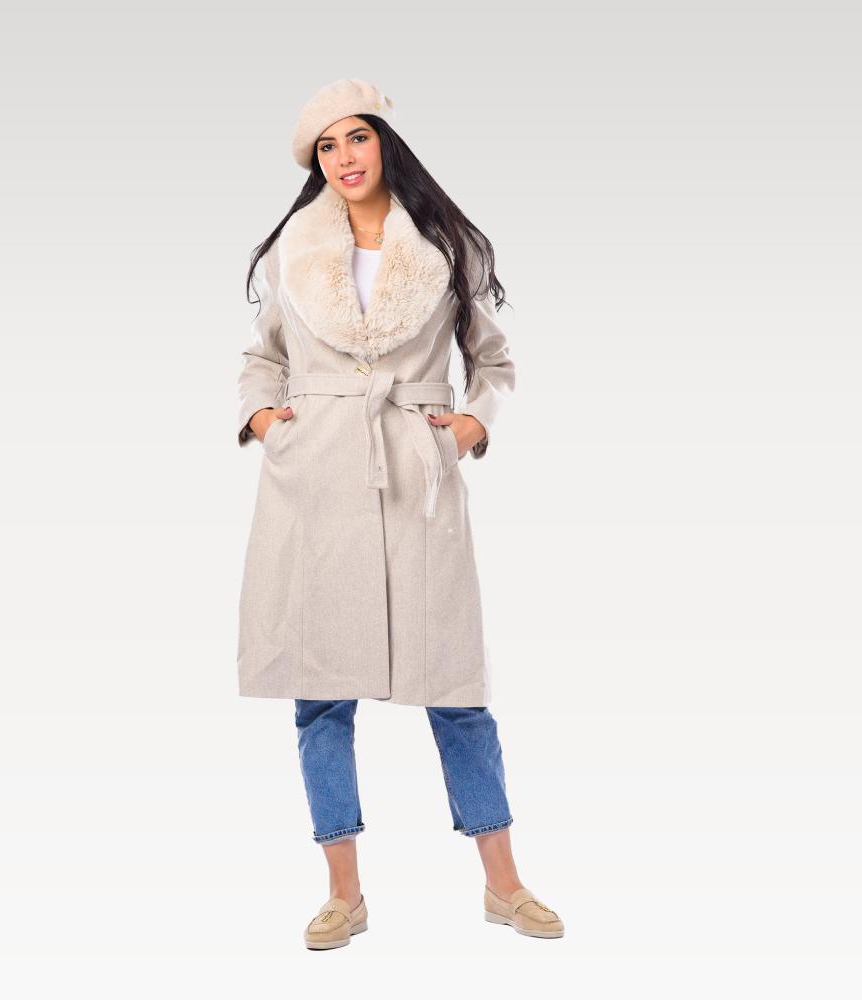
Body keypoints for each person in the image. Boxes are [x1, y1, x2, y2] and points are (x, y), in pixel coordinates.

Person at [235, 78, 564, 950]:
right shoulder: (294, 250)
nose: (344, 158)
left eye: (357, 138)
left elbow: (492, 361)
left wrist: (471, 423)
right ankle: (343, 894)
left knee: (456, 690)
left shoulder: (446, 243)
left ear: (384, 142)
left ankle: (504, 884)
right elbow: (261, 357)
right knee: (320, 696)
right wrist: (265, 420)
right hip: (314, 478)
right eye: (326, 147)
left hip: (417, 475)